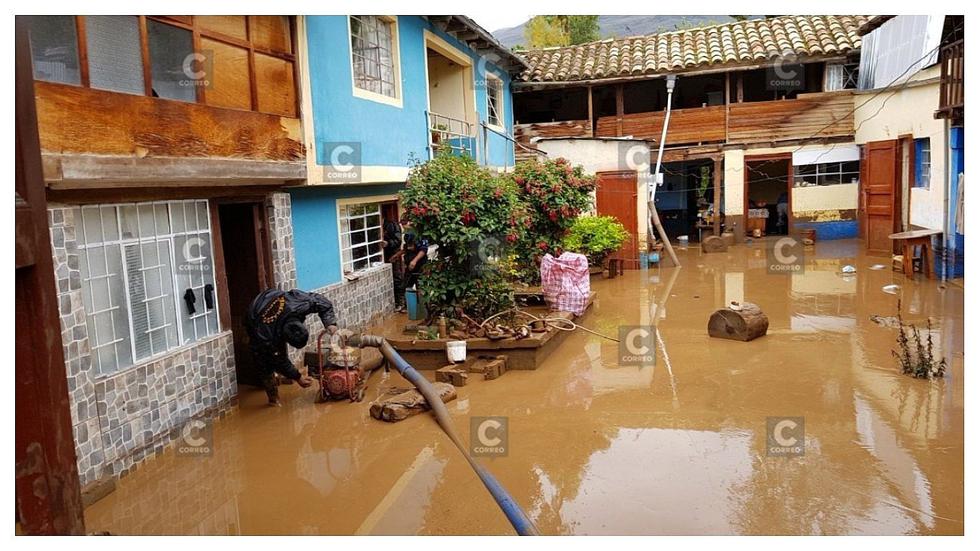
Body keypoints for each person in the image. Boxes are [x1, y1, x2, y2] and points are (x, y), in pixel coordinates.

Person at [244, 288, 338, 406]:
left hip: (277, 300)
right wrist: (298, 377)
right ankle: (273, 399)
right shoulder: (265, 335)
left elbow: (323, 303)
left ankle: (285, 376)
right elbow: (278, 359)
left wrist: (330, 323)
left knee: (276, 355)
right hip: (254, 317)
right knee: (264, 360)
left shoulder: (300, 304)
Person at [382, 219, 404, 308]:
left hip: (394, 253)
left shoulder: (392, 225)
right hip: (385, 256)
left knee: (397, 277)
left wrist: (388, 243)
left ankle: (401, 302)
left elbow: (398, 241)